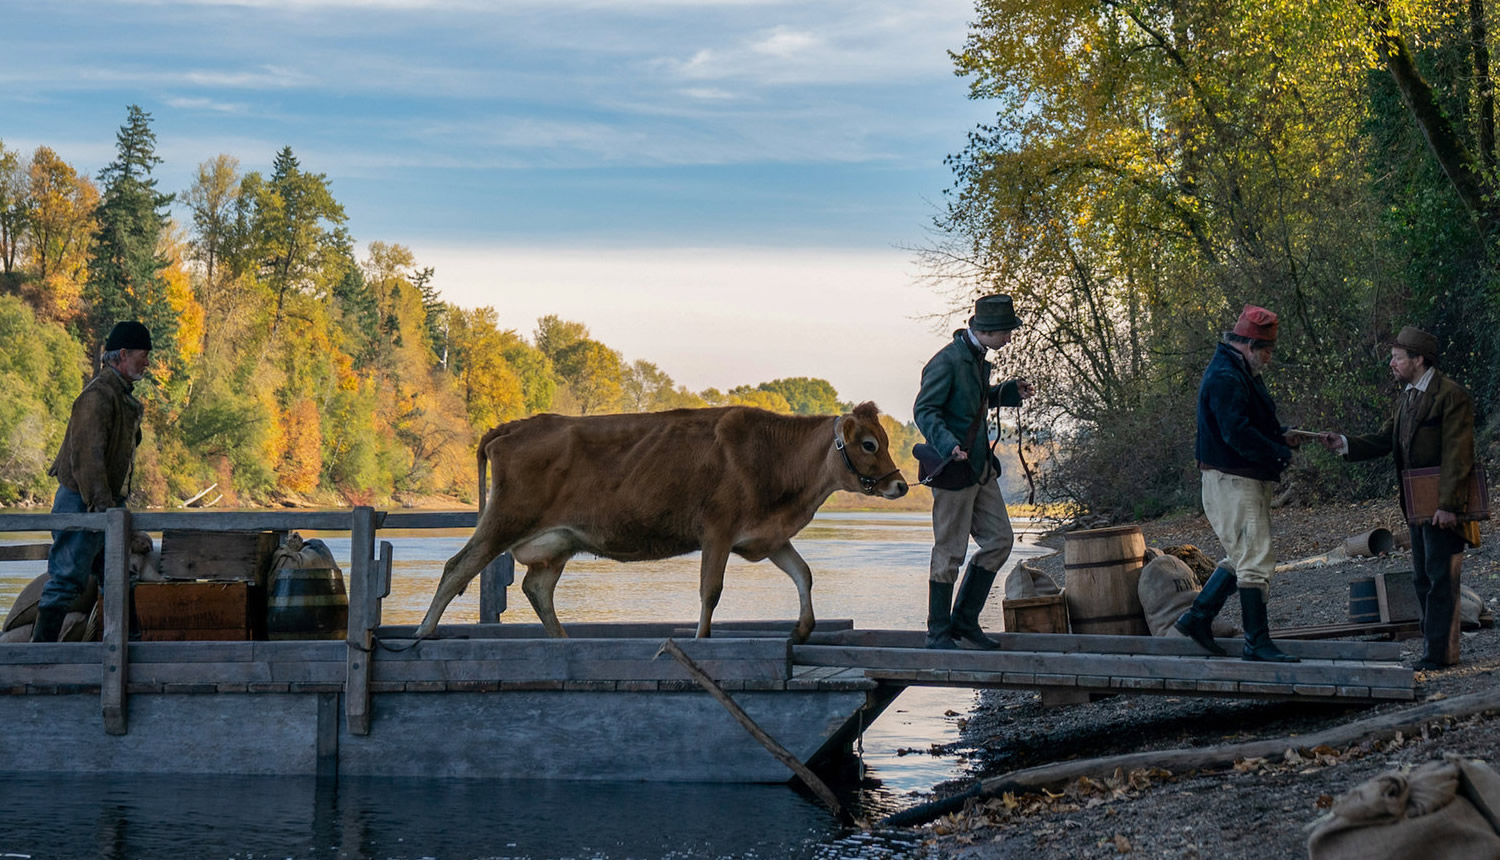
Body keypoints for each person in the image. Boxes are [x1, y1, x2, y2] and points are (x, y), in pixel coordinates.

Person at [1318, 327, 1476, 670]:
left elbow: (1458, 455)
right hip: (1417, 506)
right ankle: (1434, 652)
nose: (1391, 363)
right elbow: (1383, 439)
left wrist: (1449, 506)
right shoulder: (1407, 396)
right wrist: (1343, 442)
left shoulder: (1451, 395)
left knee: (1441, 580)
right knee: (1423, 578)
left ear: (1418, 360)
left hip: (1443, 507)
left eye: (1397, 358)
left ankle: (1441, 655)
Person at [1173, 305, 1302, 662]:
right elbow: (1237, 434)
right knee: (1255, 559)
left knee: (1244, 555)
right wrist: (1279, 452)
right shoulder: (1226, 377)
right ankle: (1256, 643)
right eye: (1267, 350)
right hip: (1232, 479)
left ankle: (1197, 618)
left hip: (1237, 478)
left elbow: (1249, 422)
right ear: (1247, 344)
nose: (1269, 358)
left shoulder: (1237, 371)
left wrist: (1281, 435)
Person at [914, 294, 1035, 650]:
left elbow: (973, 401)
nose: (1010, 338)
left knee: (1000, 541)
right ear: (987, 331)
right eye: (1007, 332)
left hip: (981, 470)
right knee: (949, 551)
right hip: (953, 469)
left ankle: (964, 622)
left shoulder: (976, 357)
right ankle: (938, 633)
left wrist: (1008, 392)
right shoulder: (946, 361)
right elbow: (925, 410)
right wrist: (947, 443)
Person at [31, 321, 151, 643]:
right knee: (66, 580)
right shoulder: (97, 396)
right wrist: (106, 513)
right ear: (123, 354)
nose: (147, 363)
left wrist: (114, 511)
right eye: (143, 355)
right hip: (82, 503)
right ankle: (37, 660)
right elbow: (88, 461)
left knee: (116, 578)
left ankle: (128, 650)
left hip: (103, 504)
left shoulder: (120, 396)